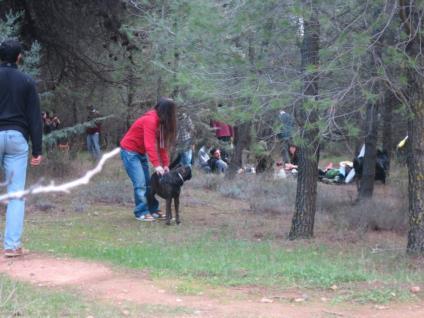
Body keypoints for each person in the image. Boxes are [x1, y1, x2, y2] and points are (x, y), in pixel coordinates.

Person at [0, 39, 42, 257]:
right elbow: (35, 117)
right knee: (16, 193)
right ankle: (12, 246)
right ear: (18, 57)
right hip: (17, 138)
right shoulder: (26, 81)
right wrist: (38, 150)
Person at [120, 97, 176, 221]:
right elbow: (149, 145)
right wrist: (156, 165)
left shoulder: (161, 123)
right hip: (129, 152)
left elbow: (162, 146)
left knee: (149, 184)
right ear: (167, 111)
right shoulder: (150, 120)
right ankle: (141, 212)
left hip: (140, 153)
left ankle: (153, 209)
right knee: (140, 184)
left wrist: (166, 164)